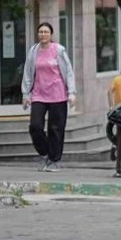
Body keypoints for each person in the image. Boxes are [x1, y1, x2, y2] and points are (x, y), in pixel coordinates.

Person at [21, 22, 77, 172]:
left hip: (58, 94)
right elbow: (28, 72)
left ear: (51, 35)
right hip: (39, 94)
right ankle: (45, 153)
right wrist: (26, 94)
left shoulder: (58, 50)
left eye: (46, 32)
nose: (43, 34)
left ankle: (54, 159)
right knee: (35, 126)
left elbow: (68, 71)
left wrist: (71, 92)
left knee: (56, 129)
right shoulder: (33, 51)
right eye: (41, 32)